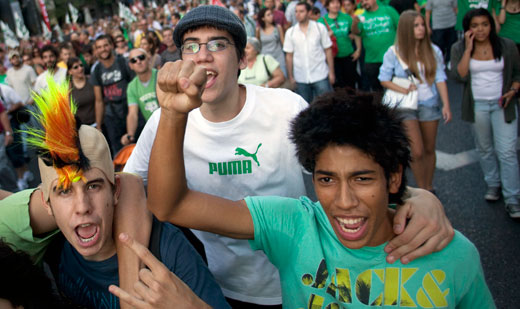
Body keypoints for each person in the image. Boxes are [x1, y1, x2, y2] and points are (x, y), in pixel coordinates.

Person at [124, 5, 454, 308]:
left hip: (306, 280)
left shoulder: (284, 107)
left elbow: (350, 166)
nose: (203, 56)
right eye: (192, 46)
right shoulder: (166, 122)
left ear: (242, 59)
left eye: (218, 45)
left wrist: (416, 196)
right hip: (217, 286)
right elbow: (133, 186)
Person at [145, 78, 493, 307]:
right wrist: (174, 113)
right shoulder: (296, 226)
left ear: (394, 178)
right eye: (326, 180)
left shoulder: (454, 256)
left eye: (362, 179)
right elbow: (171, 205)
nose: (343, 202)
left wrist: (423, 196)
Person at [0, 78, 229, 308]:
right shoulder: (53, 246)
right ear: (47, 204)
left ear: (115, 190)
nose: (82, 207)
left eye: (93, 186)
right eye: (64, 191)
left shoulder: (167, 253)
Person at [450, 8, 520, 218]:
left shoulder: (506, 46)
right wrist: (468, 48)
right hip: (477, 105)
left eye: (484, 24)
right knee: (485, 148)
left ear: (491, 25)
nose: (480, 30)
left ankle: (513, 198)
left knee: (507, 151)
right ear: (468, 29)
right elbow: (458, 75)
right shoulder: (459, 48)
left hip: (503, 104)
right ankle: (493, 184)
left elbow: (517, 73)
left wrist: (513, 90)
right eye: (475, 26)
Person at [379, 10, 452, 192]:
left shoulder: (433, 50)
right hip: (406, 105)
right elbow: (384, 78)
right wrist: (403, 88)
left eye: (422, 25)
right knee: (416, 151)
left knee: (429, 149)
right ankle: (422, 189)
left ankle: (429, 185)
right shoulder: (394, 52)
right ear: (405, 29)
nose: (421, 29)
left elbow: (440, 78)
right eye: (416, 26)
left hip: (429, 102)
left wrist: (446, 104)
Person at [90, 34, 135, 154]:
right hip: (111, 116)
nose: (103, 49)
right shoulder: (97, 71)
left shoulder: (123, 62)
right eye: (99, 47)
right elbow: (99, 100)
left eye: (105, 45)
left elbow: (135, 85)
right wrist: (99, 126)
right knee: (119, 153)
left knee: (137, 145)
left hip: (129, 109)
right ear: (96, 51)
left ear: (111, 46)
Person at [284, 1, 335, 103]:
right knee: (304, 107)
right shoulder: (291, 32)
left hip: (320, 74)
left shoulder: (319, 28)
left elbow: (328, 51)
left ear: (309, 13)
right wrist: (290, 76)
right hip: (301, 77)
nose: (298, 14)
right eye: (296, 11)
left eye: (301, 11)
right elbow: (289, 56)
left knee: (325, 105)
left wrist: (331, 72)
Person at [353, 0, 400, 92]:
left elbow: (401, 28)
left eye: (366, 0)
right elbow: (356, 33)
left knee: (395, 90)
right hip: (371, 60)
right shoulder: (362, 17)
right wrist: (354, 23)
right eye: (362, 2)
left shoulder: (389, 10)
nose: (364, 3)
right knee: (377, 92)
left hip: (392, 58)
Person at [319, 0, 361, 89]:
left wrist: (358, 50)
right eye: (332, 3)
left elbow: (356, 33)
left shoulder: (347, 18)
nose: (336, 5)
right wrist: (326, 36)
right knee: (338, 86)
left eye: (337, 3)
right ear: (327, 6)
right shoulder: (321, 21)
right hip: (333, 58)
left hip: (348, 55)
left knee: (351, 84)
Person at [121, 48, 159, 146]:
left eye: (141, 57)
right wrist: (130, 135)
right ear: (130, 66)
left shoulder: (160, 76)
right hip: (155, 131)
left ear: (148, 59)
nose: (138, 61)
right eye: (133, 60)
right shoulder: (132, 86)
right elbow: (133, 114)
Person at [67, 57, 98, 126]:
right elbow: (69, 110)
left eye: (81, 65)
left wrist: (99, 125)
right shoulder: (68, 87)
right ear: (70, 72)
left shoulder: (92, 80)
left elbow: (99, 101)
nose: (80, 68)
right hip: (81, 127)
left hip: (97, 124)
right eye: (76, 67)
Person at [257, 8, 287, 76]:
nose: (271, 16)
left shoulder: (278, 27)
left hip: (279, 57)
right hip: (266, 58)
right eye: (268, 15)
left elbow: (283, 42)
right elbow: (258, 45)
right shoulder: (259, 30)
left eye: (271, 14)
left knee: (283, 77)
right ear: (263, 18)